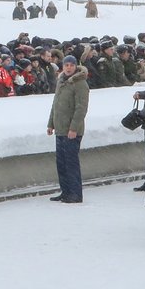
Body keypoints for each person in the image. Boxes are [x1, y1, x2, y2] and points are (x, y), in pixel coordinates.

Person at [45, 54, 89, 203]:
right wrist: (51, 124)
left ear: (75, 66)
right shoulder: (61, 81)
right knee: (61, 163)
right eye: (66, 65)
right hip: (60, 128)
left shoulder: (80, 83)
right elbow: (55, 105)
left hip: (72, 130)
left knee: (71, 163)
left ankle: (75, 193)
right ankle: (65, 191)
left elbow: (81, 108)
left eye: (71, 65)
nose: (68, 68)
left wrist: (74, 128)